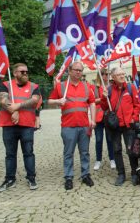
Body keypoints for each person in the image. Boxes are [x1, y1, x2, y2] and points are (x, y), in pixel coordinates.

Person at [48, 61, 96, 190]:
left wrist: (93, 119)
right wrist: (58, 101)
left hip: (84, 125)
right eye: (76, 70)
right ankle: (68, 177)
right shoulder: (61, 87)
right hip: (68, 126)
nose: (78, 72)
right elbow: (49, 101)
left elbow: (92, 103)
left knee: (85, 152)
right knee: (68, 153)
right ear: (69, 71)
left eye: (80, 70)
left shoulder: (87, 86)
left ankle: (85, 174)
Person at [0, 63, 41, 192]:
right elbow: (3, 100)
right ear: (15, 73)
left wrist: (18, 107)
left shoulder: (34, 86)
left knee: (29, 153)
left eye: (26, 71)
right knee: (10, 154)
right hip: (9, 125)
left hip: (27, 125)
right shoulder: (5, 85)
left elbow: (35, 100)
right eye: (22, 72)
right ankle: (10, 179)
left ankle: (31, 177)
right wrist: (13, 111)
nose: (25, 73)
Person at [101, 67, 140, 186]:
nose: (122, 76)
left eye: (123, 74)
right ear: (113, 77)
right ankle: (121, 174)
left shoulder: (130, 87)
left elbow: (137, 104)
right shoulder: (108, 90)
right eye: (119, 74)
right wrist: (104, 97)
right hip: (115, 126)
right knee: (117, 150)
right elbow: (104, 107)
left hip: (128, 124)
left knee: (131, 150)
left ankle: (134, 173)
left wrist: (133, 117)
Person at [92, 69, 115, 171]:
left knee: (110, 139)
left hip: (108, 116)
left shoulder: (111, 87)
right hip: (98, 117)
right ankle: (98, 160)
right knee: (98, 139)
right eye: (103, 74)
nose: (105, 76)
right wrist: (102, 98)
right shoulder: (95, 88)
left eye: (107, 74)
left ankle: (112, 159)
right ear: (99, 75)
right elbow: (92, 101)